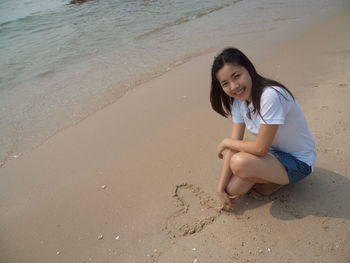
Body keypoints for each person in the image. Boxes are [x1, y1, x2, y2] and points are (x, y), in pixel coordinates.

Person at [210, 47, 316, 211]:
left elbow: (260, 148)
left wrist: (225, 142)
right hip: (275, 155)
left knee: (239, 162)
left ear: (249, 69)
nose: (233, 86)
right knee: (233, 189)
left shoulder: (270, 95)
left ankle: (275, 183)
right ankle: (269, 178)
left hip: (299, 162)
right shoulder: (239, 102)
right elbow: (235, 143)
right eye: (225, 84)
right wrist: (220, 188)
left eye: (236, 76)